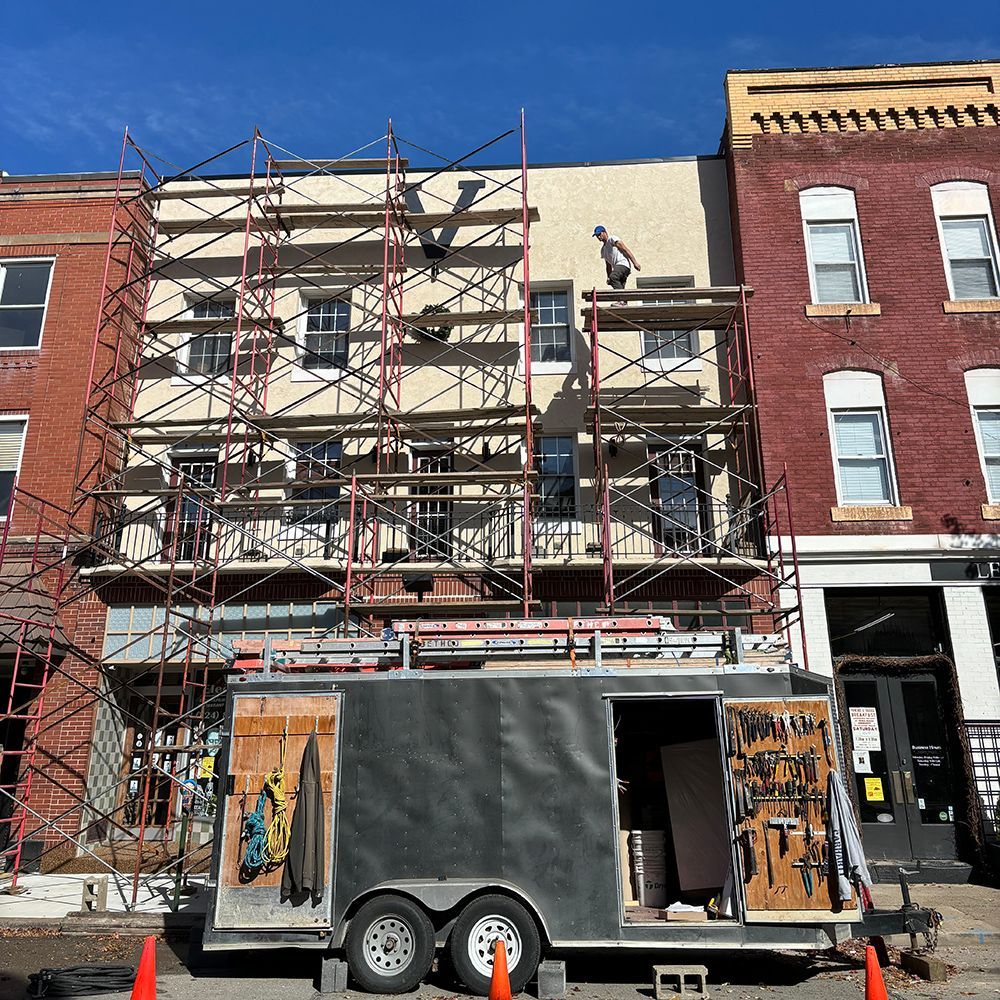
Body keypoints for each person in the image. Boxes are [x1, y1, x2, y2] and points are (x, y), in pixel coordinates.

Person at [594, 225, 641, 294]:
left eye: (599, 234)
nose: (598, 237)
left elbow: (625, 249)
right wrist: (608, 278)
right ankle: (622, 303)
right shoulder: (603, 250)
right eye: (596, 236)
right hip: (618, 268)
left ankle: (622, 299)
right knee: (619, 286)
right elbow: (608, 265)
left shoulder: (612, 239)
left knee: (613, 277)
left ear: (604, 232)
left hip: (623, 264)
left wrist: (635, 263)